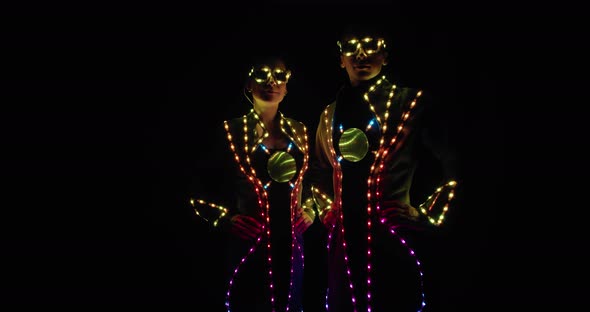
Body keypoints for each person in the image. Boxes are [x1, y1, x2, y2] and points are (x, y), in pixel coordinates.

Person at [303, 23, 460, 312]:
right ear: (341, 58)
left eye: (371, 45)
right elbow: (319, 170)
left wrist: (426, 213)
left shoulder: (409, 102)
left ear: (385, 55)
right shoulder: (329, 114)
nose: (361, 54)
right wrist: (328, 210)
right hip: (344, 244)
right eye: (351, 47)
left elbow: (453, 159)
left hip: (392, 239)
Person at [189, 53, 317, 312]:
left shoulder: (300, 131)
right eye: (261, 74)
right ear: (248, 83)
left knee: (290, 303)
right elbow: (195, 186)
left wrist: (311, 211)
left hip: (292, 244)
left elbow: (317, 180)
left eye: (279, 75)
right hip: (249, 242)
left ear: (287, 85)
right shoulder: (231, 131)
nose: (271, 81)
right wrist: (225, 219)